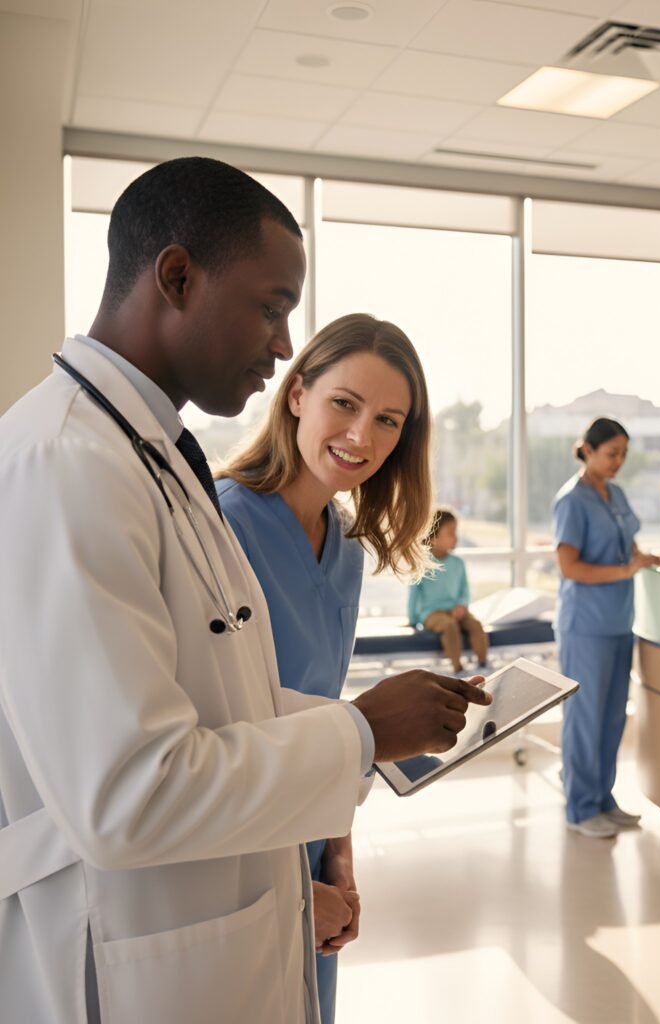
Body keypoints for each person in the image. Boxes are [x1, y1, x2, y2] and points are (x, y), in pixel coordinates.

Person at [0, 157, 489, 1024]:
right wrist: (364, 730)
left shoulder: (152, 458)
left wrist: (362, 741)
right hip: (125, 949)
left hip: (221, 919)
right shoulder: (65, 463)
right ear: (178, 277)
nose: (278, 340)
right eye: (272, 308)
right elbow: (128, 794)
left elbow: (224, 708)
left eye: (389, 421)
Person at [216, 312, 440, 1024]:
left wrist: (336, 857)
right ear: (297, 395)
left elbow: (327, 717)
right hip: (234, 862)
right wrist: (290, 894)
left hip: (310, 847)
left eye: (388, 421)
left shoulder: (345, 546)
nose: (361, 437)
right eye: (345, 404)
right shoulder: (221, 529)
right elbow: (215, 741)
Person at [552, 417, 660, 840]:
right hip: (585, 626)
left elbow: (629, 546)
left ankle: (603, 799)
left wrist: (647, 559)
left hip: (620, 621)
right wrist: (626, 570)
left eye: (624, 453)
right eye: (611, 453)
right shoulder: (572, 501)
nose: (619, 461)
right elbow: (569, 567)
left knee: (611, 718)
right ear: (587, 449)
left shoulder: (616, 494)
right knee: (585, 718)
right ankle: (580, 808)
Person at [407, 508, 489, 674]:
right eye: (450, 533)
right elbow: (414, 594)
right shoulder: (422, 563)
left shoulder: (458, 563)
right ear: (432, 538)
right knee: (450, 626)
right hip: (431, 613)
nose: (456, 537)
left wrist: (462, 606)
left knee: (475, 625)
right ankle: (458, 668)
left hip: (456, 609)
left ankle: (483, 663)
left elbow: (464, 590)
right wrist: (413, 619)